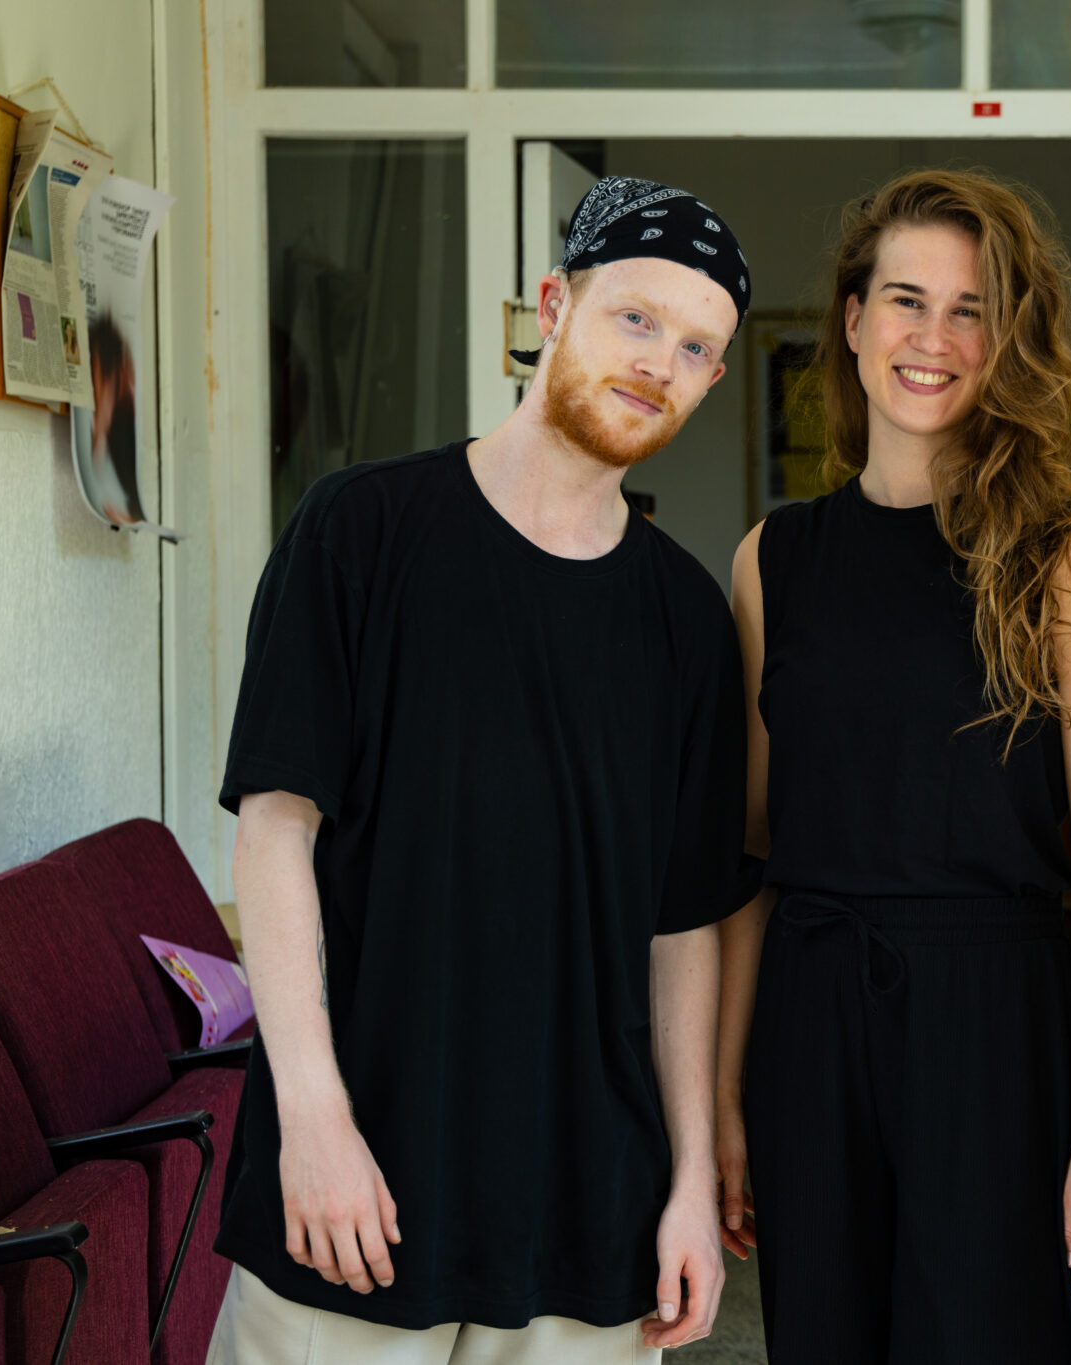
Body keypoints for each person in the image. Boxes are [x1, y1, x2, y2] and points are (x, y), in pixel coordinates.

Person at [207, 176, 761, 1365]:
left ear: (714, 379)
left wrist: (684, 1186)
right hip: (353, 1197)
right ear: (552, 306)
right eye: (635, 318)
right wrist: (310, 1119)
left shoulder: (684, 618)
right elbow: (274, 831)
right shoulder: (359, 532)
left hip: (588, 1224)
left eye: (696, 346)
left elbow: (682, 930)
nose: (659, 361)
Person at [712, 167, 1071, 1364]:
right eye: (906, 300)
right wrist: (722, 1094)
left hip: (995, 1024)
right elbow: (749, 853)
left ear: (1010, 340)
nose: (933, 338)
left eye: (970, 310)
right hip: (809, 1015)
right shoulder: (773, 560)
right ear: (850, 323)